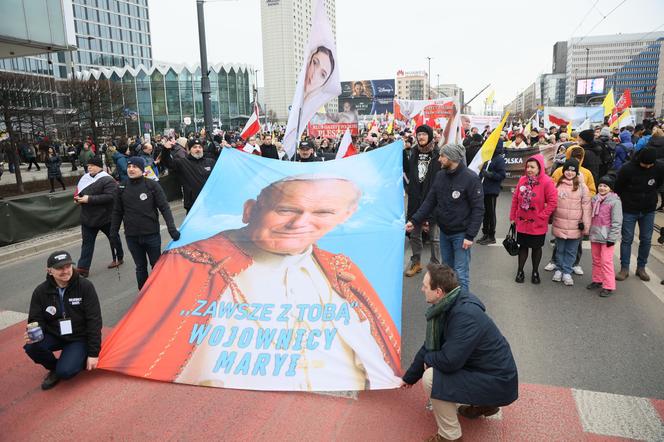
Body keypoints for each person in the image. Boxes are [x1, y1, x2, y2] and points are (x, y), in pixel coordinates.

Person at [100, 175, 402, 391]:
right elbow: (149, 341)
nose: (299, 224)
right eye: (285, 209)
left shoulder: (342, 270)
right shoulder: (190, 263)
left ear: (342, 217)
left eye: (323, 213)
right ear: (250, 209)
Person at [401, 264, 518, 442]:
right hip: (489, 374)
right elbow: (429, 346)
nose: (422, 288)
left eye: (425, 286)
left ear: (438, 291)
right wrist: (409, 378)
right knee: (433, 365)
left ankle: (450, 436)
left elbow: (449, 361)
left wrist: (428, 361)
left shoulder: (464, 316)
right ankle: (483, 405)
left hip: (499, 382)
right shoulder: (450, 303)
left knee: (432, 377)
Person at [406, 143, 484, 292]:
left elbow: (478, 209)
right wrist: (414, 221)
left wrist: (470, 235)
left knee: (461, 273)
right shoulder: (440, 176)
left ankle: (463, 304)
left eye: (442, 156)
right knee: (447, 271)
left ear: (452, 158)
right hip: (445, 232)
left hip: (462, 235)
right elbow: (429, 201)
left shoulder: (470, 178)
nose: (439, 159)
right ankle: (449, 302)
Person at [23, 251, 102, 390]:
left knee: (66, 372)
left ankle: (73, 359)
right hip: (55, 334)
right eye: (60, 268)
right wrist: (34, 332)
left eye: (68, 266)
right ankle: (54, 368)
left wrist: (93, 353)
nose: (65, 271)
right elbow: (36, 319)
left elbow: (94, 321)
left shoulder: (85, 286)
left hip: (78, 337)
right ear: (49, 271)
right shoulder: (40, 291)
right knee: (31, 347)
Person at [110, 156, 180, 290]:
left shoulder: (152, 185)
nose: (131, 169)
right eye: (129, 166)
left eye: (135, 167)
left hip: (151, 234)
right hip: (132, 236)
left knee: (156, 265)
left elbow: (164, 207)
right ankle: (142, 295)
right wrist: (113, 232)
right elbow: (117, 212)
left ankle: (160, 291)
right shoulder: (121, 187)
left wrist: (171, 228)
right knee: (140, 268)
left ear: (142, 169)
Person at [614, 147, 664, 281]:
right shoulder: (627, 168)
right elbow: (618, 187)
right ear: (639, 159)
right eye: (645, 164)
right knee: (627, 239)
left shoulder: (659, 167)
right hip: (629, 209)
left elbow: (658, 184)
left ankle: (641, 267)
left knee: (646, 239)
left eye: (650, 164)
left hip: (648, 209)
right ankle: (624, 267)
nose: (647, 166)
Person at [510, 154, 558, 284]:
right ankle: (520, 271)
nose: (529, 169)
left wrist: (542, 216)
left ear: (540, 168)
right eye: (528, 167)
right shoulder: (522, 180)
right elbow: (515, 199)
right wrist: (512, 216)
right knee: (523, 247)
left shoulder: (547, 182)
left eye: (532, 167)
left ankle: (535, 271)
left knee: (536, 248)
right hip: (522, 221)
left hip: (537, 223)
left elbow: (553, 202)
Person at [75, 156, 124, 277]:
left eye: (92, 165)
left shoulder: (107, 179)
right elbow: (79, 192)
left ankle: (118, 258)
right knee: (87, 243)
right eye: (88, 166)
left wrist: (89, 199)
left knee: (113, 238)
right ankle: (83, 268)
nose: (89, 167)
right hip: (88, 217)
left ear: (99, 166)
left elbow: (110, 197)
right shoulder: (85, 178)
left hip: (105, 217)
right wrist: (78, 198)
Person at [404, 124, 442, 276]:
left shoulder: (437, 153)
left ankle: (435, 267)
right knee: (414, 235)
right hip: (415, 199)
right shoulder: (413, 152)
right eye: (418, 134)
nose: (420, 137)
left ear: (430, 136)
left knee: (434, 238)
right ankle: (416, 263)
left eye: (424, 134)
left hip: (433, 200)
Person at [550, 159, 591, 286]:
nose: (569, 173)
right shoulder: (557, 185)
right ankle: (559, 269)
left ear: (576, 172)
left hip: (575, 225)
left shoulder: (582, 187)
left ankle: (567, 271)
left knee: (571, 250)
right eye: (567, 170)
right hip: (560, 223)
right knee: (560, 248)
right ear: (563, 171)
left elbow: (586, 206)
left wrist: (586, 225)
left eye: (573, 171)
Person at [161, 138, 216, 214]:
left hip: (209, 203)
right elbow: (168, 163)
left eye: (200, 147)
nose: (198, 149)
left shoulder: (210, 162)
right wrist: (165, 150)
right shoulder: (182, 163)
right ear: (189, 150)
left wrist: (225, 150)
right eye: (194, 147)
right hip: (193, 205)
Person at [588, 175, 622, 297]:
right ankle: (597, 280)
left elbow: (617, 222)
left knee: (606, 261)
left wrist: (612, 238)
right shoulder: (594, 199)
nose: (602, 188)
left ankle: (609, 286)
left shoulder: (615, 202)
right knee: (596, 260)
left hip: (607, 237)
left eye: (605, 186)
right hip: (595, 234)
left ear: (611, 189)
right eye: (600, 185)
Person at [477, 139, 506, 245]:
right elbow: (481, 173)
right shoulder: (487, 158)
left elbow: (502, 175)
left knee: (491, 213)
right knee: (484, 213)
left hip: (492, 190)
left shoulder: (499, 159)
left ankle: (491, 235)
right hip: (483, 189)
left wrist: (488, 174)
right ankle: (485, 233)